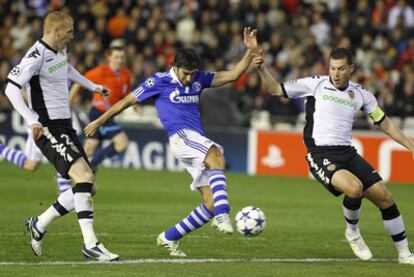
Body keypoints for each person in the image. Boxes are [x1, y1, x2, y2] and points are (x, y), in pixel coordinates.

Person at [84, 27, 258, 257]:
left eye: (192, 74)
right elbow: (126, 101)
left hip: (195, 139)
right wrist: (99, 121)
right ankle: (224, 214)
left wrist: (250, 50)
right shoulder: (159, 81)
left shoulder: (199, 79)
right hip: (181, 136)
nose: (189, 79)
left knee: (210, 202)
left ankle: (169, 237)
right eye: (185, 73)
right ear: (175, 67)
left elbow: (234, 74)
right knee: (216, 156)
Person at [253, 47, 414, 264]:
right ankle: (353, 233)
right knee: (354, 188)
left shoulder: (362, 94)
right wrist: (262, 68)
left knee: (385, 197)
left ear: (351, 68)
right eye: (332, 68)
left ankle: (404, 254)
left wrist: (410, 146)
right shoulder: (315, 84)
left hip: (347, 152)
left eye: (340, 69)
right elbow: (274, 89)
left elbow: (383, 122)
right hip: (320, 153)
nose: (335, 73)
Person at [4, 11, 118, 261]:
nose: (72, 35)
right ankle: (91, 245)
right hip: (48, 127)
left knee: (90, 186)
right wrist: (32, 119)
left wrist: (93, 87)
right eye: (69, 32)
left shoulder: (58, 52)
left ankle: (39, 224)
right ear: (55, 32)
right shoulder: (36, 55)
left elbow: (66, 69)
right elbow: (11, 88)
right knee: (84, 176)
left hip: (64, 125)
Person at [69, 40, 132, 172]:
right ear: (109, 57)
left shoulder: (126, 74)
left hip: (109, 114)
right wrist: (68, 102)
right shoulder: (101, 71)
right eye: (116, 57)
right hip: (98, 113)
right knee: (122, 142)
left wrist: (135, 105)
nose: (119, 60)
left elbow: (126, 94)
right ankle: (93, 165)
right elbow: (78, 82)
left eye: (122, 57)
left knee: (89, 149)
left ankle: (67, 173)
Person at [0, 89, 72, 193]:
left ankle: (66, 195)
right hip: (39, 125)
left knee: (67, 157)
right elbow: (17, 91)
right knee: (31, 165)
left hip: (57, 122)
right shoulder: (32, 75)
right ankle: (1, 148)